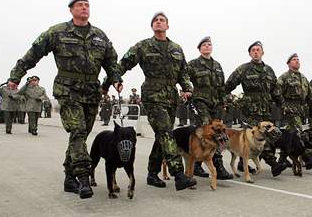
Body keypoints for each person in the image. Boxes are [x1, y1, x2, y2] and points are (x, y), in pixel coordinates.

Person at [7, 0, 122, 199]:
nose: (84, 8)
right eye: (80, 5)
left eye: (87, 5)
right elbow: (33, 53)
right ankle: (83, 177)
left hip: (91, 92)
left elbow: (111, 61)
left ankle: (69, 177)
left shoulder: (99, 35)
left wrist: (115, 79)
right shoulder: (57, 32)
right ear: (71, 10)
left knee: (81, 135)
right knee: (77, 130)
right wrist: (16, 75)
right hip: (68, 90)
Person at [108, 12, 197, 191]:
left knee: (162, 135)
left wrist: (187, 88)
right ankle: (178, 174)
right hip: (152, 94)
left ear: (167, 26)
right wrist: (114, 79)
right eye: (155, 20)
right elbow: (123, 63)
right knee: (165, 131)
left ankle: (152, 173)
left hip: (171, 96)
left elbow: (183, 73)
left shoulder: (176, 49)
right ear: (152, 26)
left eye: (162, 20)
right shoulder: (143, 46)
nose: (158, 22)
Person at [225, 41, 287, 177]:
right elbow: (229, 84)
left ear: (262, 53)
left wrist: (282, 105)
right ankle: (273, 164)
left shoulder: (269, 70)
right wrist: (222, 99)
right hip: (250, 110)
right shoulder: (243, 69)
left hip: (265, 110)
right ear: (249, 53)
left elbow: (275, 90)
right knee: (254, 139)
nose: (255, 52)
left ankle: (243, 163)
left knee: (267, 137)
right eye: (253, 50)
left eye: (258, 50)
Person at [188, 36, 233, 180]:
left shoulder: (218, 65)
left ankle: (197, 165)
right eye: (204, 45)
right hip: (201, 102)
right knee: (210, 132)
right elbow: (183, 78)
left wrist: (224, 101)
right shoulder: (193, 64)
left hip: (216, 104)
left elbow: (221, 87)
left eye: (209, 45)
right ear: (200, 49)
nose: (207, 47)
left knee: (215, 132)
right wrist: (186, 92)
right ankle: (218, 167)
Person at [277, 53, 312, 169]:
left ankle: (282, 159)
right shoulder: (284, 77)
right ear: (288, 63)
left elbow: (310, 97)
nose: (297, 61)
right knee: (298, 133)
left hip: (301, 109)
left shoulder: (303, 78)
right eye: (294, 60)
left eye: (298, 59)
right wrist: (284, 107)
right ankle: (307, 158)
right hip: (290, 109)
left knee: (290, 135)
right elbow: (277, 93)